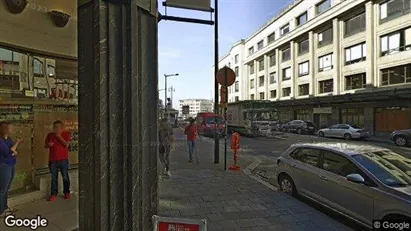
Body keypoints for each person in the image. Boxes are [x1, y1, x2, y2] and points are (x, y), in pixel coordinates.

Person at [44, 120, 72, 201]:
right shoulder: (50, 135)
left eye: (57, 127)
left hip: (63, 160)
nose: (55, 129)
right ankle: (53, 194)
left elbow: (66, 144)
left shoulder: (66, 134)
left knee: (65, 177)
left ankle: (67, 192)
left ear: (61, 128)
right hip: (53, 160)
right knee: (54, 178)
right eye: (54, 127)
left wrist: (59, 136)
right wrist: (48, 145)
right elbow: (45, 146)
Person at [0, 121, 21, 218]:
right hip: (4, 166)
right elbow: (9, 152)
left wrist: (13, 151)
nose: (12, 130)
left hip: (11, 164)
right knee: (2, 189)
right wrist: (17, 143)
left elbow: (12, 151)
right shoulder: (0, 141)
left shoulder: (8, 138)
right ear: (4, 129)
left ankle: (5, 207)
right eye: (10, 128)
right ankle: (1, 211)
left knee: (7, 188)